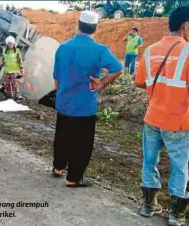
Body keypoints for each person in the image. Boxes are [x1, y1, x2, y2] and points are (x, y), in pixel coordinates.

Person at [52, 11, 122, 187]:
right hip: (84, 106)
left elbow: (56, 80)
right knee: (81, 144)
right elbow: (117, 68)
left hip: (64, 103)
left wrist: (63, 93)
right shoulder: (99, 50)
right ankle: (73, 178)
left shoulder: (63, 48)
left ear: (78, 25)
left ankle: (58, 168)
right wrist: (101, 84)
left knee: (62, 137)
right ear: (96, 28)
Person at [135, 6, 189, 226]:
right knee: (180, 166)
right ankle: (176, 215)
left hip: (153, 117)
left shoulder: (150, 50)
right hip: (177, 121)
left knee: (149, 161)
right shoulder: (188, 52)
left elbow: (139, 82)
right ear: (186, 26)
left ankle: (148, 206)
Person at [1, 36, 24, 100]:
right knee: (7, 83)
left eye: (11, 44)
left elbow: (20, 60)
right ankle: (8, 95)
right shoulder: (5, 51)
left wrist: (21, 68)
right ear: (7, 44)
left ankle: (17, 95)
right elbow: (2, 59)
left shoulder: (17, 51)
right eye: (9, 44)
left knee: (15, 83)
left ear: (13, 44)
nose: (10, 45)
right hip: (7, 70)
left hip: (15, 70)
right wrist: (2, 63)